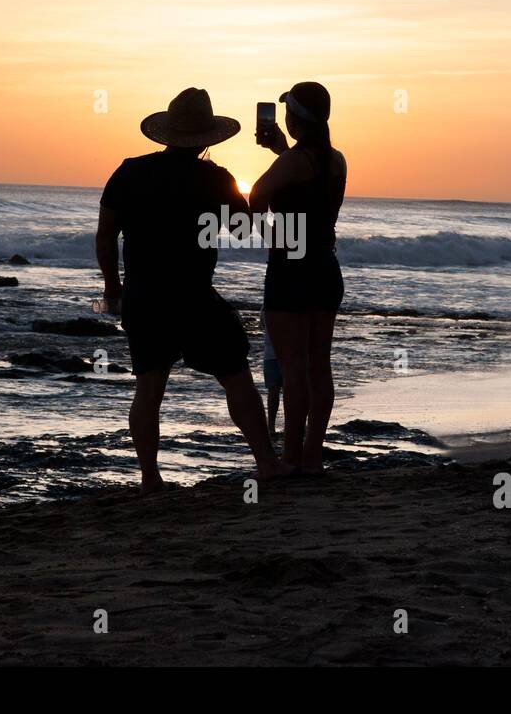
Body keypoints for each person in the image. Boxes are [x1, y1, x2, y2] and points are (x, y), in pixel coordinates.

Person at [96, 87, 292, 492]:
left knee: (149, 388)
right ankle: (267, 463)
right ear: (207, 139)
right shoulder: (215, 178)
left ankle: (150, 477)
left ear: (166, 133)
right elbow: (244, 229)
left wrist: (113, 287)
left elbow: (105, 236)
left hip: (144, 296)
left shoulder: (130, 171)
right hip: (194, 296)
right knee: (236, 375)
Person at [250, 82, 346, 476]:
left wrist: (271, 235)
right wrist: (282, 151)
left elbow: (257, 195)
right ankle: (312, 455)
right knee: (318, 364)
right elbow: (308, 186)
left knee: (292, 367)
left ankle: (289, 456)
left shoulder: (293, 162)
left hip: (291, 271)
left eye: (287, 111)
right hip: (325, 268)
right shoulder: (336, 159)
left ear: (294, 118)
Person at [261, 307, 283, 447]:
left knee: (273, 391)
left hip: (270, 354)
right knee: (291, 390)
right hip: (284, 353)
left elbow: (262, 325)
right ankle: (295, 425)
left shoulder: (265, 308)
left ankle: (271, 426)